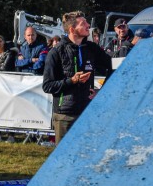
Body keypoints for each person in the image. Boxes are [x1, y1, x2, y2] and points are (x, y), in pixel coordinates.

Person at [42, 11, 113, 142]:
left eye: (87, 22)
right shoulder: (56, 51)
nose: (88, 26)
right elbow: (47, 86)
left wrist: (102, 91)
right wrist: (72, 80)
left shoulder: (92, 48)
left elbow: (114, 66)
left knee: (86, 156)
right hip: (65, 116)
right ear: (72, 29)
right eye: (83, 23)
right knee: (63, 159)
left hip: (87, 113)